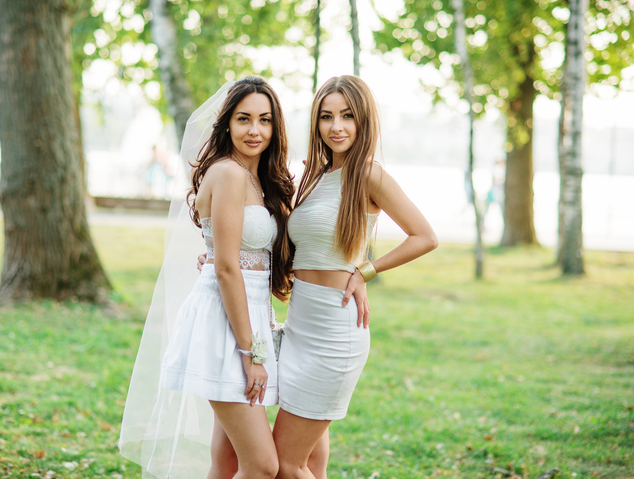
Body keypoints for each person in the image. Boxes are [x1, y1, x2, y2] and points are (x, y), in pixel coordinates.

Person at [119, 76, 294, 479]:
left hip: (247, 315)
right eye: (244, 119)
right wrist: (253, 356)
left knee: (228, 461)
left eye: (265, 120)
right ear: (227, 124)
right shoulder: (230, 174)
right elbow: (228, 268)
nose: (255, 130)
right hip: (226, 326)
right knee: (263, 465)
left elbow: (236, 254)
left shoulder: (254, 179)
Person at [273, 75, 438, 479]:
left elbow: (425, 236)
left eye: (347, 116)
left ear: (363, 120)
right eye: (327, 117)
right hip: (300, 325)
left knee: (284, 464)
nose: (337, 126)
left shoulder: (369, 174)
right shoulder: (313, 175)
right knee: (310, 462)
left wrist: (366, 271)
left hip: (335, 331)